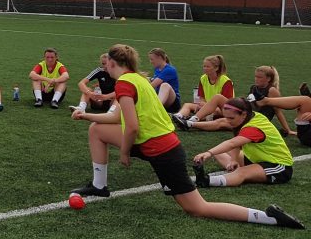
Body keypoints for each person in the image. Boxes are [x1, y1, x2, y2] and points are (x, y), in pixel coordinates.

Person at [69, 44, 303, 229]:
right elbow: (117, 120)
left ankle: (268, 217)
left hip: (161, 150)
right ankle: (100, 186)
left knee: (197, 208)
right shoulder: (137, 79)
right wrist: (86, 116)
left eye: (105, 63)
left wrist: (123, 153)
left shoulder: (125, 84)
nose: (104, 66)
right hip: (154, 142)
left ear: (111, 62)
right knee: (96, 130)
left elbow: (130, 127)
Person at [192, 97, 294, 188]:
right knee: (219, 153)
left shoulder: (254, 127)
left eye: (231, 118)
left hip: (278, 166)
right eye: (226, 117)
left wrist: (209, 153)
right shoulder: (249, 117)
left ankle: (206, 181)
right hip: (258, 159)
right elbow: (237, 143)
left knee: (241, 172)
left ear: (244, 114)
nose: (228, 121)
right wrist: (233, 160)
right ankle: (233, 169)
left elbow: (232, 143)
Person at [174, 65, 287, 133]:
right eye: (255, 76)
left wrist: (287, 129)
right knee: (218, 98)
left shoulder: (272, 90)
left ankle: (189, 124)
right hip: (245, 113)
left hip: (254, 120)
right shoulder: (254, 87)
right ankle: (193, 119)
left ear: (268, 79)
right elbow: (250, 104)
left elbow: (278, 111)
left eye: (259, 77)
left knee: (222, 122)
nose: (256, 79)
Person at [173, 54, 232, 123]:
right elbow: (202, 98)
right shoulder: (203, 78)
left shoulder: (225, 81)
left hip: (223, 109)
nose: (205, 68)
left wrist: (205, 106)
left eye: (208, 67)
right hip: (207, 106)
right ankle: (178, 116)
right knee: (187, 105)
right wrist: (202, 104)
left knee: (215, 109)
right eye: (204, 66)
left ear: (216, 68)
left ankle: (192, 119)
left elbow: (227, 104)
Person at [147, 48, 181, 113]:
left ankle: (157, 108)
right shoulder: (157, 69)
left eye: (152, 59)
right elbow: (154, 80)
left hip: (173, 103)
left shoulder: (169, 70)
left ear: (159, 58)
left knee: (165, 85)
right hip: (161, 99)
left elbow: (152, 85)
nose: (150, 61)